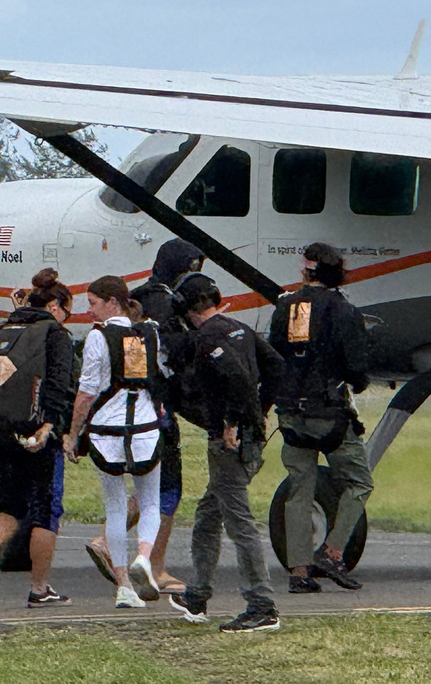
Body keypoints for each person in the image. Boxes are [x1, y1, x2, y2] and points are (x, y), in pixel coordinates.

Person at [84, 238, 204, 594]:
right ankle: (151, 564)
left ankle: (119, 545)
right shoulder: (168, 307)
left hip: (115, 415)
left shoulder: (136, 300)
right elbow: (173, 359)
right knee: (166, 488)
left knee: (127, 487)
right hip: (153, 410)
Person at [167, 272, 284, 633]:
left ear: (185, 308)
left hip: (228, 440)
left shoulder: (208, 339)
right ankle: (198, 594)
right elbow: (276, 368)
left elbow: (235, 377)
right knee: (207, 514)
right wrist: (259, 414)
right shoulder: (241, 329)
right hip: (249, 436)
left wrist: (234, 421)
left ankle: (261, 604)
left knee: (239, 523)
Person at [0, 268, 75, 607]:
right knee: (45, 510)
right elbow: (58, 384)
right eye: (66, 308)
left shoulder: (2, 328)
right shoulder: (55, 334)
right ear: (55, 305)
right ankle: (40, 588)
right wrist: (50, 425)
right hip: (33, 432)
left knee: (7, 505)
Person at [268, 242, 373, 594]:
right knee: (359, 482)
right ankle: (332, 551)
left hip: (291, 414)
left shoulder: (284, 307)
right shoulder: (345, 311)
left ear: (305, 271)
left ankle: (299, 571)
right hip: (330, 415)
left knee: (300, 489)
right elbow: (357, 369)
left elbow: (274, 357)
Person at [63, 276, 164, 609]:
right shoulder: (151, 333)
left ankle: (123, 585)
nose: (89, 310)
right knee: (150, 502)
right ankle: (144, 559)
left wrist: (73, 434)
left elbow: (87, 392)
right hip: (146, 427)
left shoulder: (98, 337)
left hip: (106, 431)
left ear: (112, 302)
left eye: (92, 303)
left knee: (116, 507)